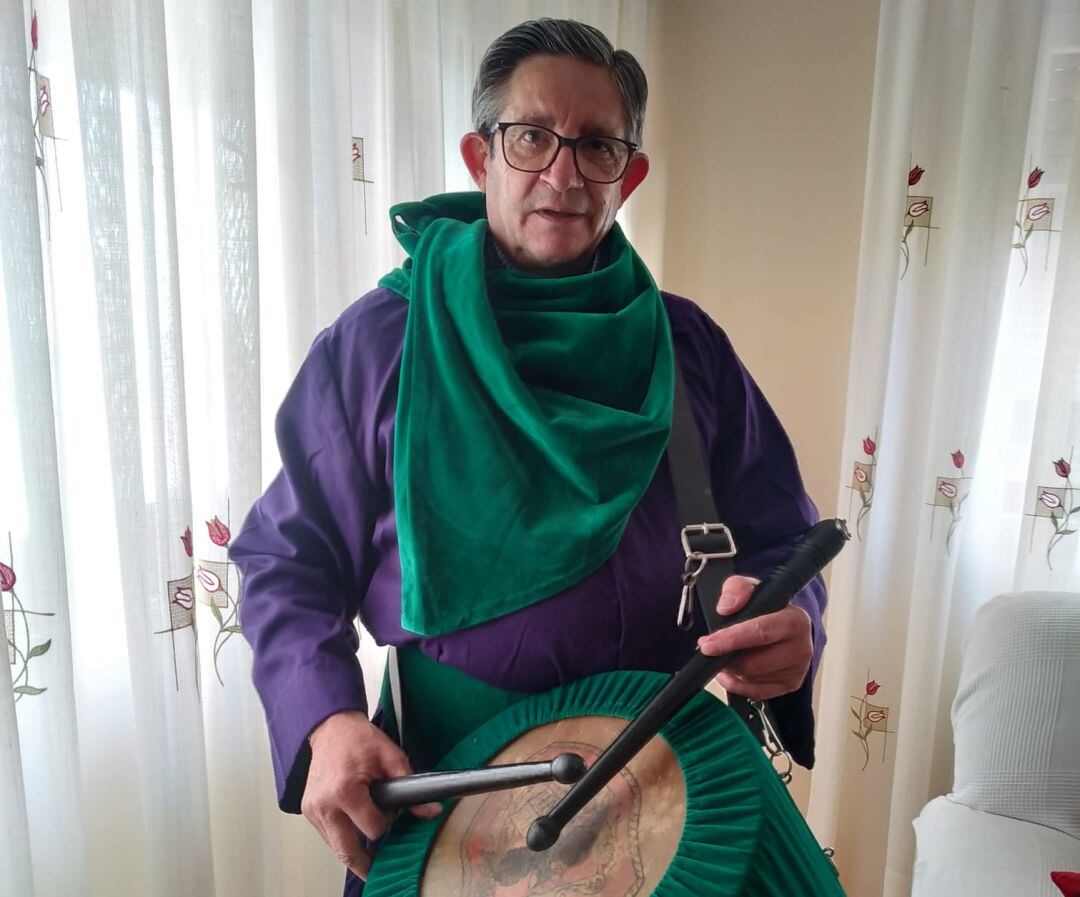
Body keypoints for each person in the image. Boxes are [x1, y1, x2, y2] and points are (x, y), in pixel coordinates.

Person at [230, 18, 827, 894]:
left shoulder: (688, 347)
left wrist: (788, 617)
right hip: (448, 795)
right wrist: (323, 718)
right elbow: (289, 559)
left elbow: (782, 534)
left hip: (668, 783)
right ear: (481, 159)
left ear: (629, 176)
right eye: (532, 138)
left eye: (597, 147)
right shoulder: (380, 345)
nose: (564, 174)